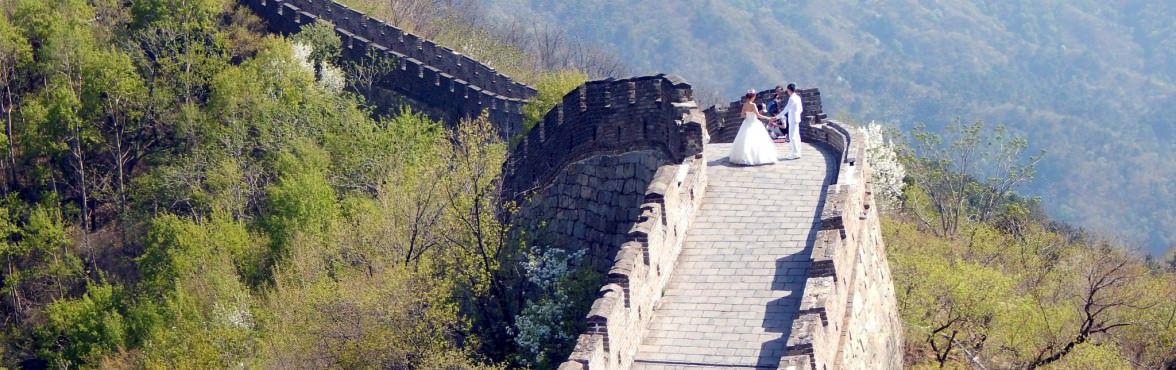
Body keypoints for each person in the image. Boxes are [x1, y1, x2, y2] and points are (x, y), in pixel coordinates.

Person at [729, 90, 778, 165]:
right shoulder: (753, 105)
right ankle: (756, 157)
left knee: (745, 140)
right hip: (754, 123)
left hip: (746, 123)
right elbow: (758, 115)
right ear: (753, 97)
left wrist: (747, 116)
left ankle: (744, 157)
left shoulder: (744, 105)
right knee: (757, 140)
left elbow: (742, 115)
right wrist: (768, 118)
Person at [771, 83, 803, 159]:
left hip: (793, 119)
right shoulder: (798, 97)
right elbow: (801, 109)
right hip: (797, 118)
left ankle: (795, 153)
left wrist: (776, 117)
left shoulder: (792, 98)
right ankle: (797, 151)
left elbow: (786, 109)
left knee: (792, 136)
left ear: (789, 90)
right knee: (796, 135)